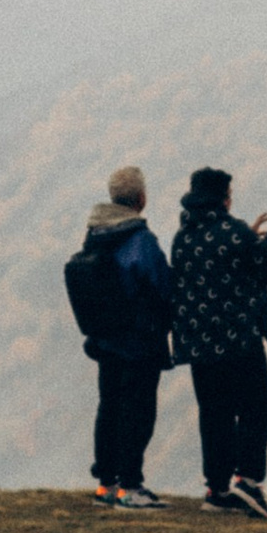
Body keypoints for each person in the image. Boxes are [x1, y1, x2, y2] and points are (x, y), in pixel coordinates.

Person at [167, 164, 267, 517]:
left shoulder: (184, 237)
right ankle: (248, 482)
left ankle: (217, 490)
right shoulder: (234, 233)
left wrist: (246, 239)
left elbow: (216, 265)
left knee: (215, 414)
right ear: (224, 199)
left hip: (199, 346)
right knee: (256, 407)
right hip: (239, 340)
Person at [63, 162, 172, 509]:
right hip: (139, 341)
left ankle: (106, 484)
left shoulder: (95, 235)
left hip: (105, 339)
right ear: (141, 199)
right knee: (138, 411)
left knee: (109, 408)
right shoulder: (140, 240)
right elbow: (163, 287)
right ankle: (131, 486)